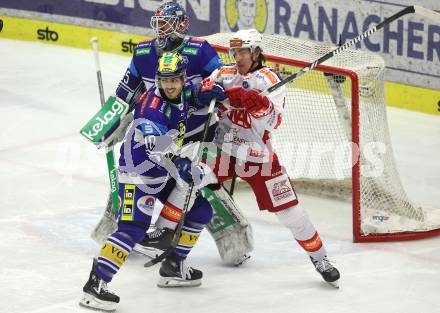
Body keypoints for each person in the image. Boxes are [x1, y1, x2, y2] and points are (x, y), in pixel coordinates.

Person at [92, 1, 253, 266]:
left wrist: (222, 92)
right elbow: (125, 94)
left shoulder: (200, 51)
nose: (161, 29)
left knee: (201, 187)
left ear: (181, 25)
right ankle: (121, 237)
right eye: (159, 24)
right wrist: (107, 123)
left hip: (196, 135)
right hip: (157, 137)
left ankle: (234, 242)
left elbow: (222, 80)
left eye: (167, 23)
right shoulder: (143, 52)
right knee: (129, 182)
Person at [79, 51, 226, 312]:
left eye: (174, 80)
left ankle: (173, 267)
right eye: (163, 80)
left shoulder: (183, 90)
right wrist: (180, 164)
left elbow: (198, 89)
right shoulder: (151, 109)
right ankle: (96, 283)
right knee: (132, 228)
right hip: (138, 175)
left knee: (201, 210)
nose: (168, 85)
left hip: (162, 173)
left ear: (182, 79)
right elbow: (156, 149)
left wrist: (211, 90)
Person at [197, 29, 341, 287]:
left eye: (242, 52)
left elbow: (274, 121)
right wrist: (214, 92)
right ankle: (170, 242)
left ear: (255, 53)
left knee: (291, 212)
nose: (237, 56)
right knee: (190, 183)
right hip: (224, 149)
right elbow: (204, 88)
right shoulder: (225, 74)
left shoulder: (269, 79)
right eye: (234, 52)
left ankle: (320, 259)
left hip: (257, 156)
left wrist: (255, 103)